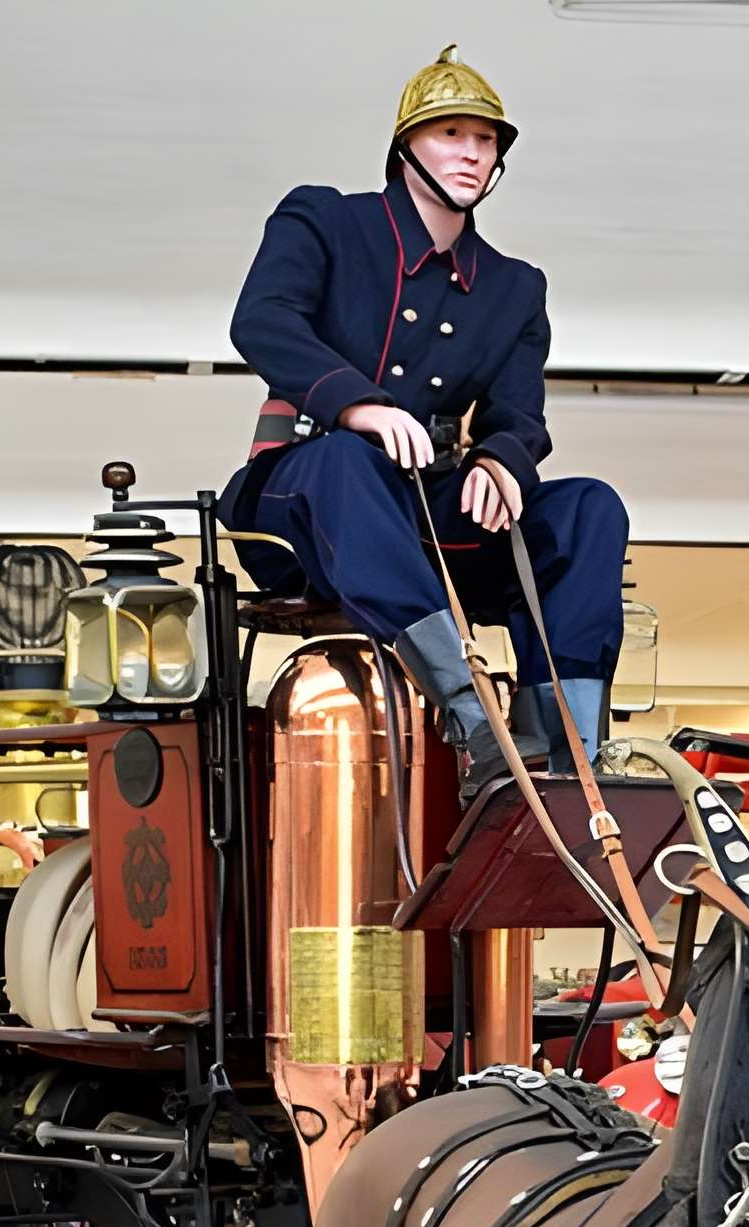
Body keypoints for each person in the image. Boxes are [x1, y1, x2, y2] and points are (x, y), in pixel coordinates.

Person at [219, 46, 630, 783]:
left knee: (587, 508)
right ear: (405, 146)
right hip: (303, 502)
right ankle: (475, 722)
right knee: (348, 466)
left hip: (427, 518)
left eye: (485, 141)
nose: (472, 155)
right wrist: (360, 407)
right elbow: (263, 321)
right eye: (451, 136)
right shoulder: (323, 219)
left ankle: (568, 749)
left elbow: (518, 409)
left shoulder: (513, 287)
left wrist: (503, 457)